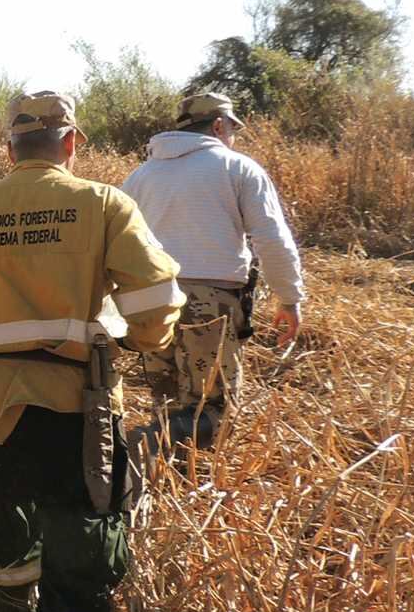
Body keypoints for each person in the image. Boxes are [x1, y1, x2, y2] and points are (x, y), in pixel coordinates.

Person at [0, 91, 185, 612]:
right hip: (79, 408)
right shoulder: (104, 205)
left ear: (10, 146)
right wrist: (142, 338)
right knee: (82, 545)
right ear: (71, 143)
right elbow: (158, 301)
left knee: (7, 519)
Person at [121, 92, 304, 448]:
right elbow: (271, 238)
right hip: (211, 303)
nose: (232, 136)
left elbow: (120, 242)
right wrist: (290, 297)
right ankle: (142, 445)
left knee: (168, 403)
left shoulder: (140, 177)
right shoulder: (238, 168)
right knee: (212, 410)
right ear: (219, 125)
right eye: (232, 129)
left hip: (150, 299)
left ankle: (157, 475)